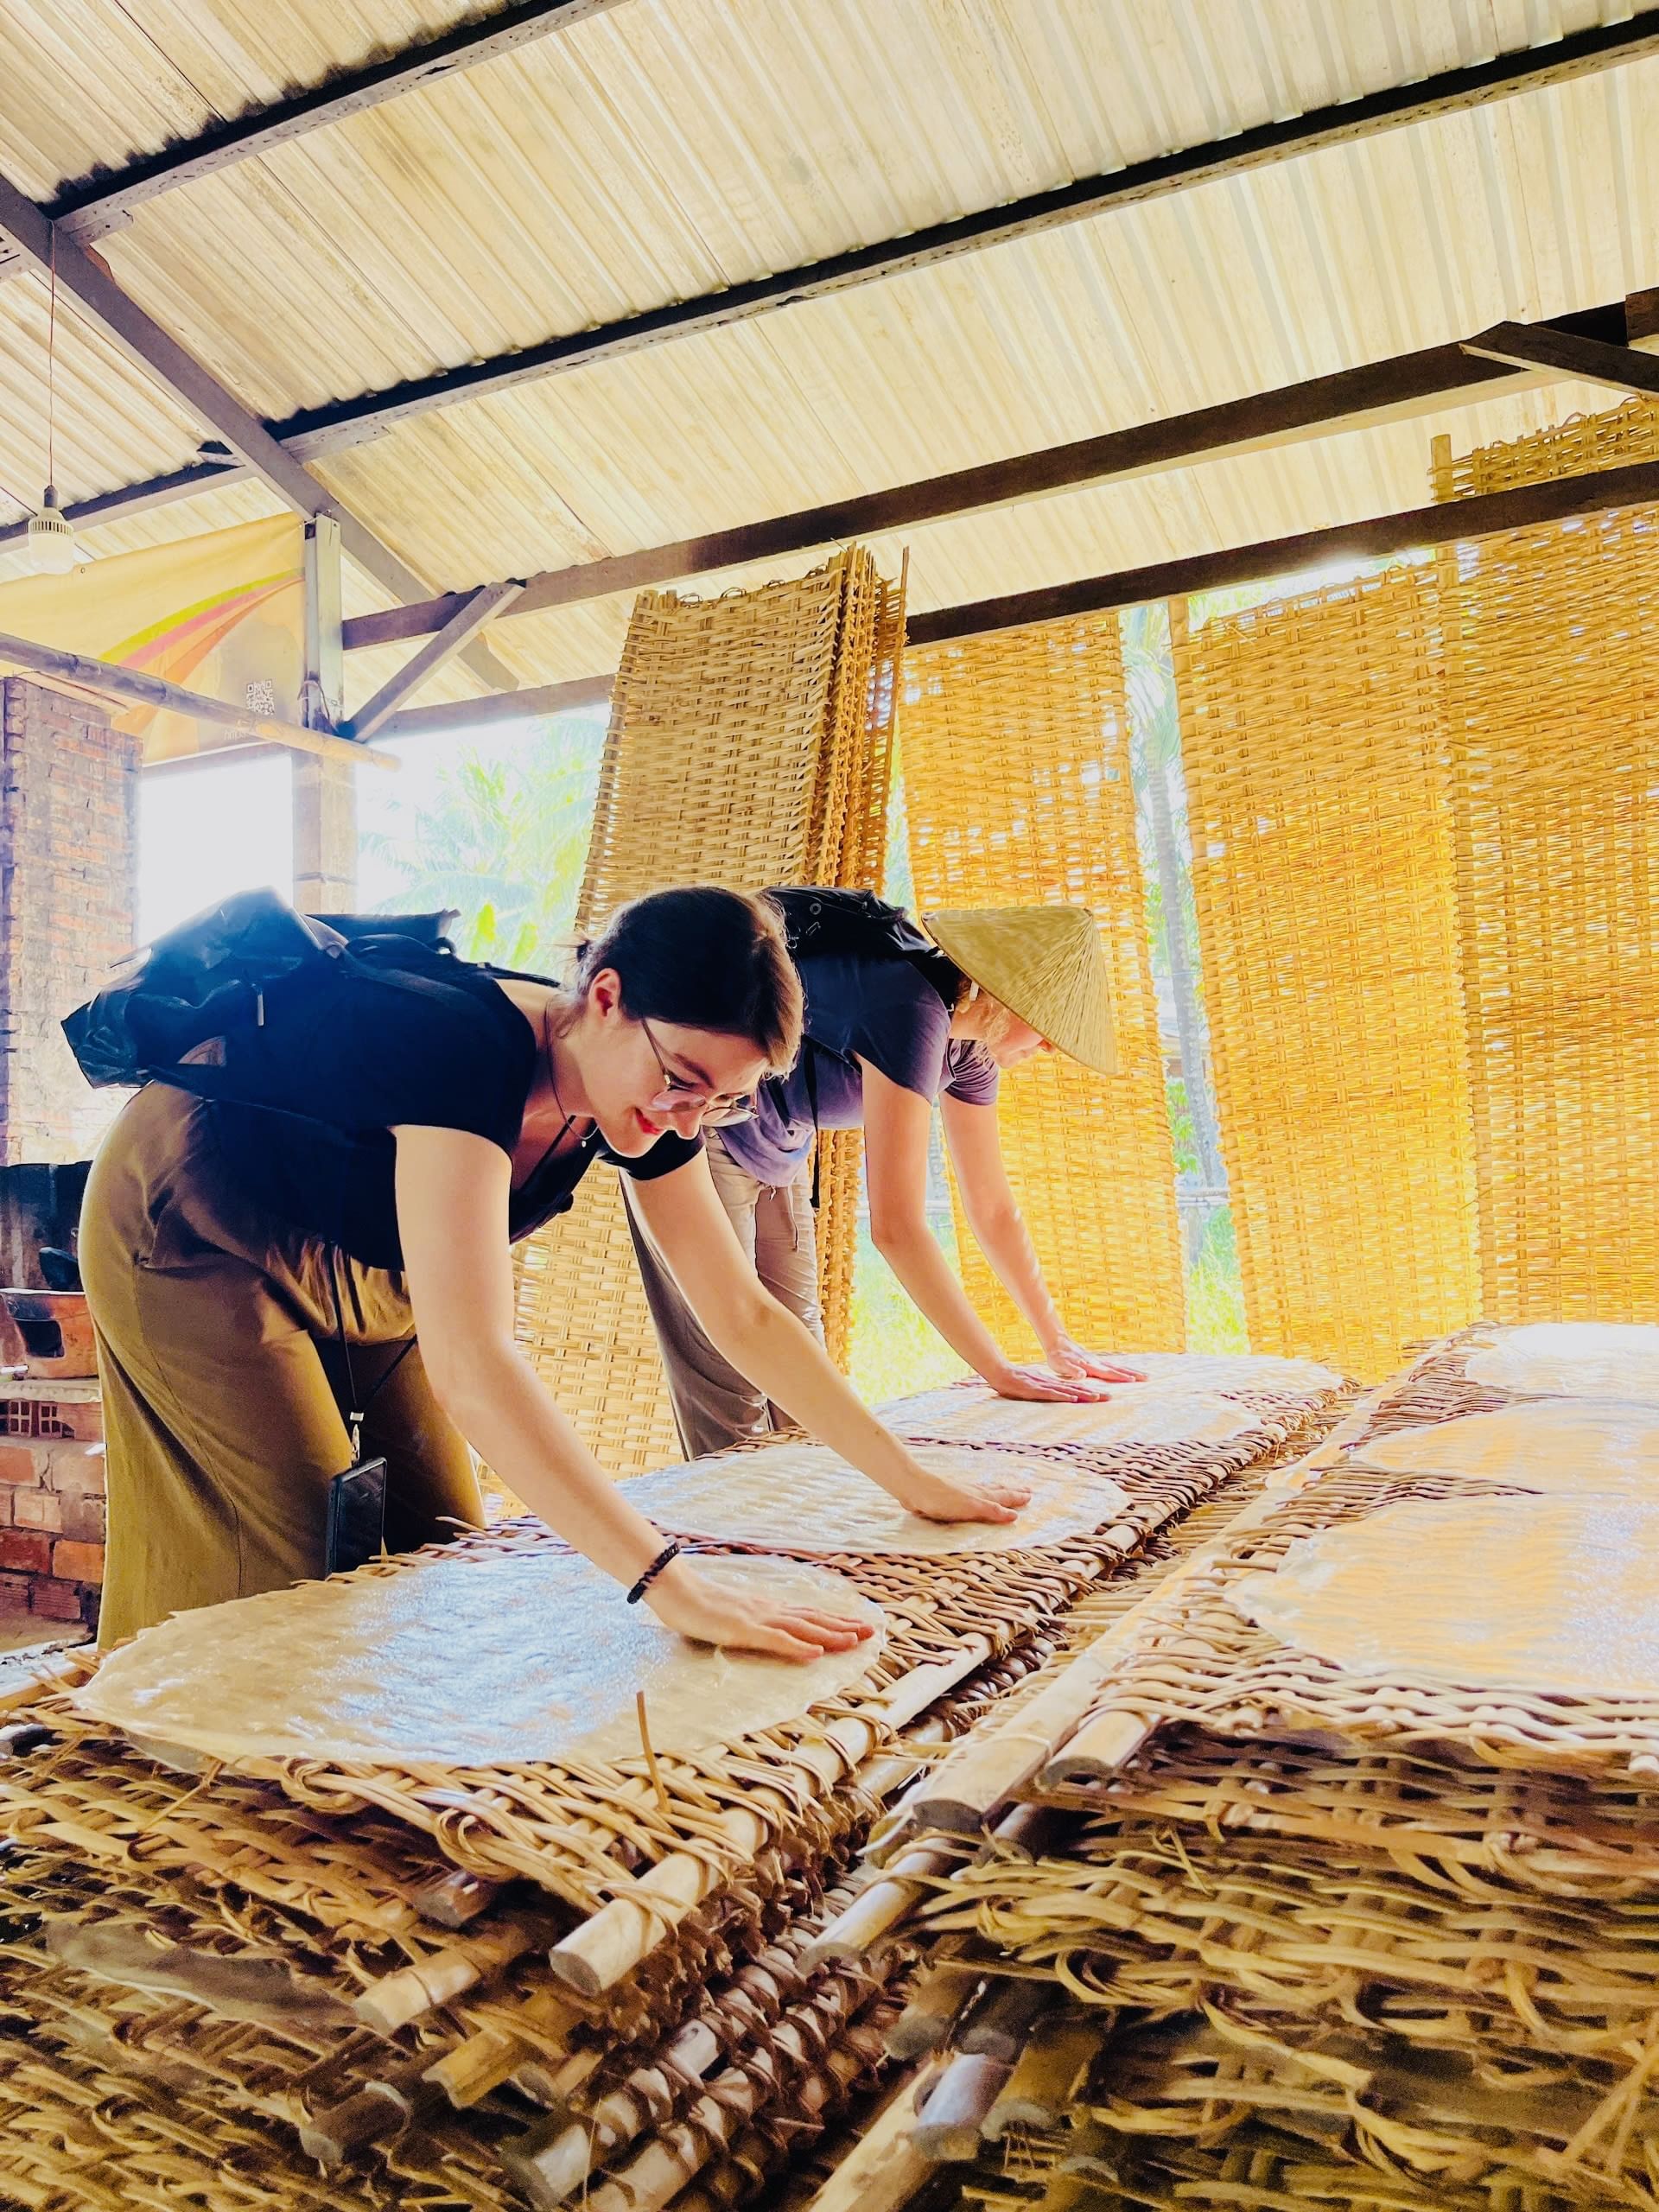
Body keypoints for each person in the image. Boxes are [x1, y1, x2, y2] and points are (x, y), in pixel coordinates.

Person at [78, 887, 1030, 1661]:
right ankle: (159, 1775)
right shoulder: (463, 1047)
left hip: (368, 1250)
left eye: (725, 1101)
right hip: (198, 1223)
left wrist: (910, 1481)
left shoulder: (643, 1095)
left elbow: (741, 1312)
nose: (688, 1118)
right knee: (290, 1572)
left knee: (444, 1544)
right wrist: (670, 1581)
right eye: (684, 1082)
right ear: (606, 998)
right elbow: (476, 1364)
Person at [628, 898, 1146, 1460]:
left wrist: (1055, 1340)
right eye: (1046, 1026)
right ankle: (724, 1534)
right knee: (729, 1366)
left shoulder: (969, 1051)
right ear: (1005, 996)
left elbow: (993, 1207)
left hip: (780, 1149)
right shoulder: (910, 1007)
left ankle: (799, 1520)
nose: (1047, 1047)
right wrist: (997, 1370)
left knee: (801, 1368)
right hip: (699, 1132)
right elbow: (897, 1228)